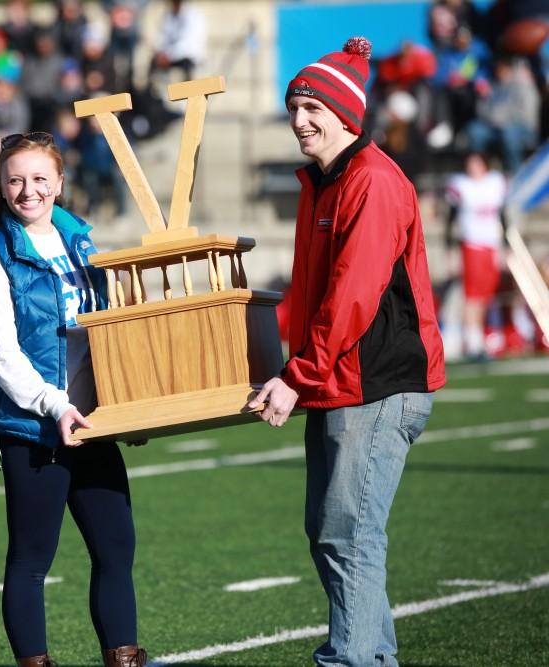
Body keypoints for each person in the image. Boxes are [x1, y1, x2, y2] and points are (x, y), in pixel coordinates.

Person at [249, 38, 446, 667]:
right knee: (332, 532)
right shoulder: (324, 184)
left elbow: (352, 299)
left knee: (349, 533)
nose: (300, 119)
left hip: (379, 385)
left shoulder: (372, 182)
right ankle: (369, 657)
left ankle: (354, 660)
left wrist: (295, 376)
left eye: (312, 107)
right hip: (339, 383)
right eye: (294, 106)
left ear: (345, 114)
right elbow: (314, 298)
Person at [0, 132, 147, 667]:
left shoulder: (82, 243)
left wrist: (128, 404)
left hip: (92, 421)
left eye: (41, 179)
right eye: (17, 179)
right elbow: (0, 353)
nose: (29, 191)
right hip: (37, 428)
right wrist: (53, 405)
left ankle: (123, 656)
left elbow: (107, 333)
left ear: (61, 183)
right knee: (31, 559)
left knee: (116, 548)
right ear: (0, 185)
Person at [445, 151, 508, 360]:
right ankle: (473, 341)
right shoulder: (461, 186)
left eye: (477, 164)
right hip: (471, 245)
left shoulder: (495, 183)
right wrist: (449, 250)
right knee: (472, 295)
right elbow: (450, 220)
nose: (473, 168)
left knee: (485, 294)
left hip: (491, 244)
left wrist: (505, 245)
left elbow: (502, 215)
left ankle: (478, 336)